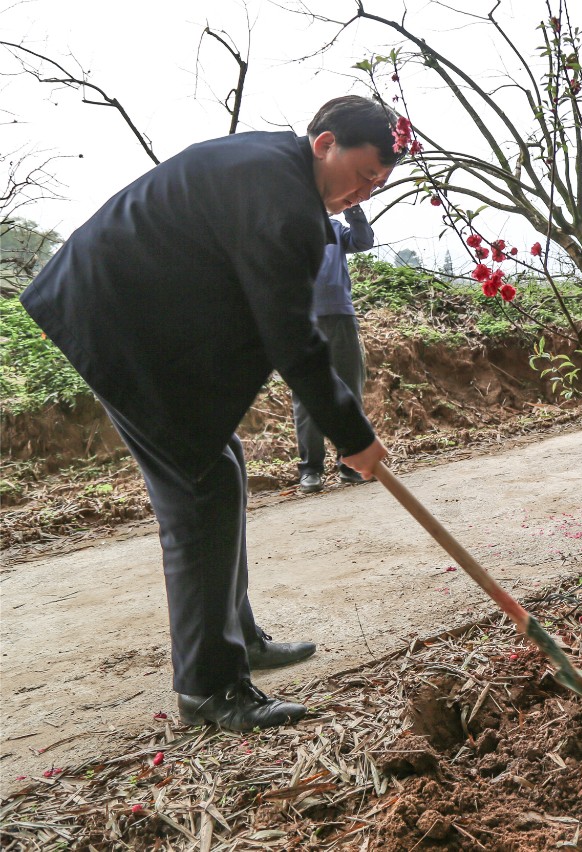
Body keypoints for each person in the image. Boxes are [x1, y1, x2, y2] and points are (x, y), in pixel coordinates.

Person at [20, 96, 398, 729]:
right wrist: (352, 435)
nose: (361, 194)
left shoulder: (271, 166)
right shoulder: (281, 199)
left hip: (138, 320)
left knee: (221, 462)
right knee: (202, 489)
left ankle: (235, 636)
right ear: (324, 142)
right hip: (115, 321)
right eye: (361, 175)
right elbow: (291, 337)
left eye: (377, 186)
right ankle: (209, 688)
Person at [294, 204, 375, 493]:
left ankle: (350, 465)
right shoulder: (289, 225)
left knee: (350, 389)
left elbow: (364, 241)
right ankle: (311, 469)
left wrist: (352, 208)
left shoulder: (336, 228)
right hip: (302, 320)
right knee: (306, 397)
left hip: (340, 316)